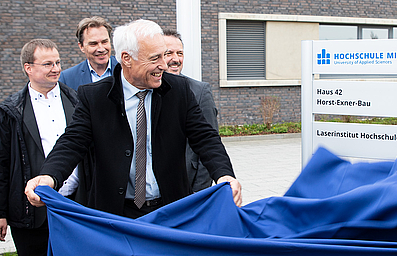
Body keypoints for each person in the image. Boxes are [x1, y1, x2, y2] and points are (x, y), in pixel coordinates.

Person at [24, 19, 242, 219]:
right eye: (155, 58)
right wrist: (49, 176)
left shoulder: (179, 91)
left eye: (164, 55)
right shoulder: (94, 97)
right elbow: (72, 142)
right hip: (115, 214)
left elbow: (205, 138)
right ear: (127, 58)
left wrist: (224, 175)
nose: (164, 66)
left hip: (170, 209)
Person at [0, 39, 82, 256]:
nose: (56, 69)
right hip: (27, 210)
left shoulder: (76, 101)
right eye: (47, 64)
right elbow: (2, 163)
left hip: (72, 206)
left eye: (58, 62)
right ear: (28, 68)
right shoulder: (10, 110)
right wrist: (1, 212)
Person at [163, 28, 215, 192]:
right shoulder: (146, 92)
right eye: (169, 53)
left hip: (189, 185)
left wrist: (197, 194)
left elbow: (209, 144)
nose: (176, 59)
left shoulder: (200, 91)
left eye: (180, 53)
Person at [59, 16, 119, 90]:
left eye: (104, 42)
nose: (101, 49)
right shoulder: (67, 79)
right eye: (93, 43)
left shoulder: (127, 69)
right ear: (81, 46)